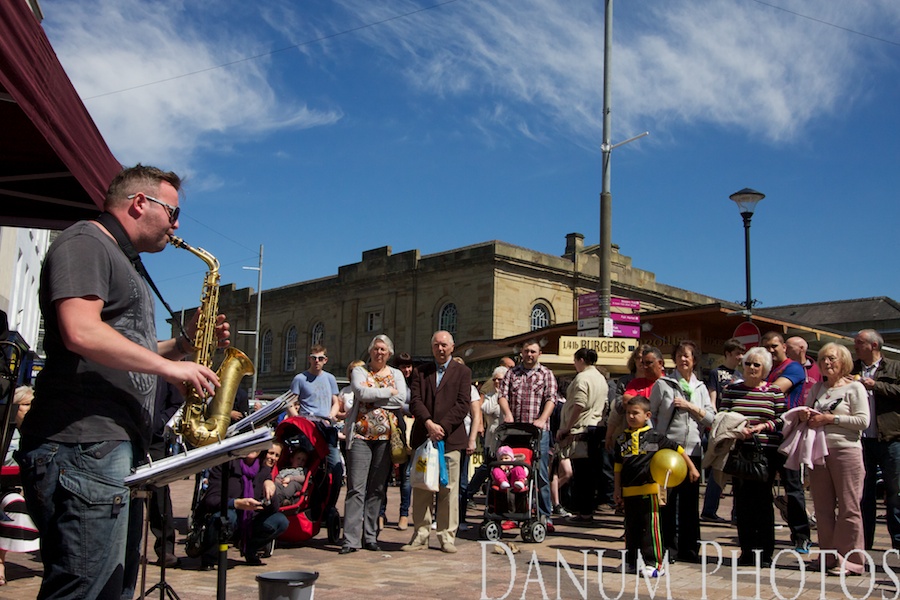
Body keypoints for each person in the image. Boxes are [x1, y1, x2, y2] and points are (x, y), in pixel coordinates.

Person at [16, 164, 230, 600]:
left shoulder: (120, 260)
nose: (177, 225)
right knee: (84, 590)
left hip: (108, 448)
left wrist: (183, 347)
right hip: (82, 445)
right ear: (139, 203)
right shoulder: (85, 242)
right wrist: (171, 370)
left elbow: (126, 350)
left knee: (111, 587)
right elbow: (82, 331)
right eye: (172, 212)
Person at [799, 343, 868, 575]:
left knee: (850, 507)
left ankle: (851, 561)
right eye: (822, 359)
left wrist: (830, 419)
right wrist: (804, 415)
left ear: (844, 361)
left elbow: (862, 421)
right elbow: (807, 415)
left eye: (831, 359)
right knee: (823, 508)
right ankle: (828, 556)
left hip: (846, 451)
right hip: (819, 452)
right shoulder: (817, 388)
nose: (826, 363)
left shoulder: (854, 388)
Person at [614, 396, 699, 578]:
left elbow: (678, 450)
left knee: (650, 529)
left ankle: (654, 563)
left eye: (635, 413)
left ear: (647, 415)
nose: (630, 416)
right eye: (628, 413)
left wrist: (692, 468)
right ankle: (632, 561)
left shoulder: (656, 437)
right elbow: (618, 467)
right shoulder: (621, 439)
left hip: (649, 490)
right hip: (629, 492)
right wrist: (617, 489)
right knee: (631, 529)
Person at [402, 331, 471, 553]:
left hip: (450, 440)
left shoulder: (463, 372)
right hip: (424, 439)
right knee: (422, 486)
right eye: (436, 345)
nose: (440, 349)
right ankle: (420, 535)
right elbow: (415, 401)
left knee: (448, 489)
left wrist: (442, 427)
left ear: (452, 347)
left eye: (444, 345)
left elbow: (463, 404)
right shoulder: (421, 372)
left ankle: (446, 536)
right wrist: (430, 424)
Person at [719, 346, 786, 567]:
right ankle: (747, 551)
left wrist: (762, 426)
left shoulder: (774, 392)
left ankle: (765, 553)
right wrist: (738, 429)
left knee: (763, 503)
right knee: (742, 503)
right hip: (740, 452)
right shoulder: (732, 390)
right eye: (748, 363)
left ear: (765, 368)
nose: (751, 367)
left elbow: (782, 420)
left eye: (757, 364)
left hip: (766, 452)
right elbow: (723, 416)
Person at [649, 340, 714, 563]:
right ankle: (667, 547)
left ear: (694, 360)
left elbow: (711, 417)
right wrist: (653, 443)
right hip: (668, 451)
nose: (683, 359)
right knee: (667, 501)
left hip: (693, 451)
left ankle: (689, 549)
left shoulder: (701, 388)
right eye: (679, 355)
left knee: (689, 503)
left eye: (687, 355)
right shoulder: (663, 384)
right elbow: (651, 415)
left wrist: (691, 407)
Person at [341, 335, 407, 554]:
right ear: (370, 352)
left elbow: (402, 399)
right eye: (376, 349)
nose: (379, 353)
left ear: (389, 354)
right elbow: (360, 392)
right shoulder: (361, 371)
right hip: (360, 436)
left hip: (386, 439)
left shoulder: (396, 373)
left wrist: (373, 397)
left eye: (384, 350)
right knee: (356, 489)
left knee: (377, 489)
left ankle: (370, 536)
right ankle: (350, 540)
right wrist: (388, 392)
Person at [761, 331, 812, 554]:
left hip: (788, 435)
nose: (771, 351)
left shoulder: (793, 368)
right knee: (764, 487)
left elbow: (774, 390)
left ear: (783, 346)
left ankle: (801, 536)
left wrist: (753, 388)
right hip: (767, 434)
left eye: (774, 346)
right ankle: (763, 538)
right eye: (767, 347)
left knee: (793, 487)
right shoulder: (765, 369)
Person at [498, 340, 558, 526]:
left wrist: (542, 419)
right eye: (526, 351)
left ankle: (544, 515)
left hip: (538, 431)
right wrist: (507, 414)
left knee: (539, 474)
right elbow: (502, 396)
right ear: (521, 353)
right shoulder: (511, 373)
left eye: (533, 351)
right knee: (514, 471)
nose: (529, 354)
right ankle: (515, 515)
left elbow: (551, 399)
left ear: (539, 353)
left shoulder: (546, 374)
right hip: (514, 430)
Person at [197, 451, 289, 569]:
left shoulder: (263, 468)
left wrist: (271, 487)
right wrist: (236, 503)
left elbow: (273, 509)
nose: (253, 449)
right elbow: (210, 500)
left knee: (280, 521)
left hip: (250, 520)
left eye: (256, 445)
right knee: (229, 516)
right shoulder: (224, 465)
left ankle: (250, 549)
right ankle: (210, 556)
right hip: (229, 515)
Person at [852, 329, 900, 550]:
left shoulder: (895, 367)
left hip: (891, 439)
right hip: (861, 441)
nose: (855, 346)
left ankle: (898, 542)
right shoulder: (852, 369)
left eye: (859, 342)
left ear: (874, 345)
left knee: (895, 492)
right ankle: (864, 542)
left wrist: (876, 385)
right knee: (863, 493)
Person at [288, 344, 342, 513]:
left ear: (325, 360)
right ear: (309, 359)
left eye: (320, 358)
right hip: (307, 426)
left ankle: (329, 506)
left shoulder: (330, 378)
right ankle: (308, 503)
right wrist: (297, 420)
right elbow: (289, 402)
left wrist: (332, 415)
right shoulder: (300, 379)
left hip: (325, 426)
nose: (316, 361)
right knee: (311, 468)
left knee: (336, 468)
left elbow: (336, 401)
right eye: (313, 358)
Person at [557, 347, 608, 521]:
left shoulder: (582, 378)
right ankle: (587, 510)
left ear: (580, 360)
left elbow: (579, 404)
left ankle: (584, 512)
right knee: (591, 474)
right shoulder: (600, 378)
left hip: (583, 429)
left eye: (574, 360)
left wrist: (566, 427)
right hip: (596, 427)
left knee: (582, 475)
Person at [0, 386, 40, 587]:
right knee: (11, 505)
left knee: (16, 503)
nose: (30, 409)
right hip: (5, 485)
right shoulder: (6, 432)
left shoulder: (39, 433)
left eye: (33, 404)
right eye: (25, 405)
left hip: (20, 488)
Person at [701, 338, 744, 523]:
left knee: (737, 472)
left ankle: (737, 513)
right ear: (727, 354)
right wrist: (715, 418)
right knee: (719, 469)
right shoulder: (715, 373)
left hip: (738, 425)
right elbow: (713, 397)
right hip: (722, 424)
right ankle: (709, 510)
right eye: (737, 354)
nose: (740, 357)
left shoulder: (741, 374)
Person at [465, 365, 509, 508]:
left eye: (500, 380)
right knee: (487, 467)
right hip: (493, 438)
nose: (497, 382)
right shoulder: (490, 395)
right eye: (495, 380)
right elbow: (487, 409)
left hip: (508, 438)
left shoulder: (511, 395)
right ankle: (469, 493)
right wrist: (498, 395)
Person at [381, 352, 414, 531]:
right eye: (403, 366)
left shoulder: (414, 384)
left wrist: (403, 406)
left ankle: (403, 514)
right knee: (383, 474)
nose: (407, 370)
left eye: (409, 366)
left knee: (406, 476)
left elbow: (417, 404)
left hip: (406, 432)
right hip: (388, 429)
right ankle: (380, 513)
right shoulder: (390, 380)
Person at [786, 336, 821, 406]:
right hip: (789, 411)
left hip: (809, 411)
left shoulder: (817, 369)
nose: (785, 350)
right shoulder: (785, 367)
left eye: (789, 347)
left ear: (801, 348)